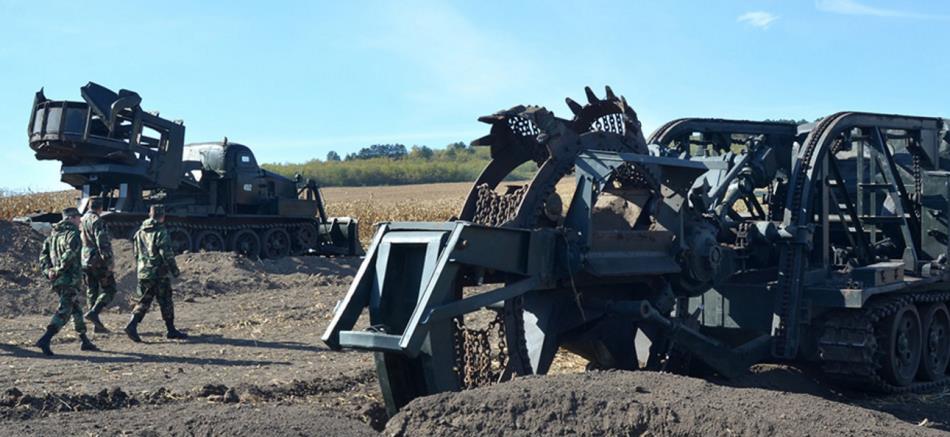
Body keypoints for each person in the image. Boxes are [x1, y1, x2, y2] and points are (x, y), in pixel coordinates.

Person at [35, 208, 99, 355]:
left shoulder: (53, 234)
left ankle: (84, 340)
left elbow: (43, 256)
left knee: (76, 309)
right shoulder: (74, 234)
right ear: (71, 218)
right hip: (69, 278)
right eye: (78, 218)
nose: (80, 221)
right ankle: (45, 339)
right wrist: (59, 269)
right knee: (65, 310)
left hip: (58, 279)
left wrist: (49, 271)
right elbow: (70, 253)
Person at [125, 205, 188, 342]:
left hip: (143, 272)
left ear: (150, 214)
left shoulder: (139, 232)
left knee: (144, 300)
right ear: (163, 216)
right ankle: (171, 330)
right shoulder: (161, 232)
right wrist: (175, 271)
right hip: (159, 273)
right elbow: (166, 254)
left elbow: (136, 254)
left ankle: (132, 324)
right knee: (165, 300)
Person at [80, 196, 116, 332]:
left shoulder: (82, 219)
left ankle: (97, 325)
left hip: (85, 260)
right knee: (110, 289)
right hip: (97, 261)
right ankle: (94, 313)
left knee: (91, 291)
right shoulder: (97, 221)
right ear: (100, 208)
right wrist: (108, 262)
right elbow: (103, 242)